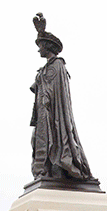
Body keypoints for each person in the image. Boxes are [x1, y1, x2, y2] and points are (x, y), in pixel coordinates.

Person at [29, 13, 95, 182]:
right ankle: (44, 170)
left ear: (48, 47)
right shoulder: (43, 70)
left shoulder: (58, 66)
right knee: (39, 141)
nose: (38, 49)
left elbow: (58, 93)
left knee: (56, 138)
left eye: (41, 45)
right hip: (42, 114)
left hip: (54, 114)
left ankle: (59, 168)